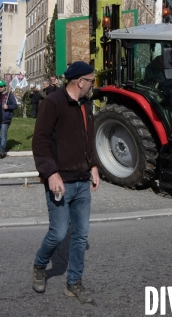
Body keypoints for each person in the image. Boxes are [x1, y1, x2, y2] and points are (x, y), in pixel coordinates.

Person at [31, 61, 99, 303]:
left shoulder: (86, 104)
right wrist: (51, 173)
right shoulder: (53, 102)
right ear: (80, 81)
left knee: (81, 235)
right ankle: (39, 265)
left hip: (82, 181)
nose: (93, 85)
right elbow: (39, 141)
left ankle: (73, 283)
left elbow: (87, 138)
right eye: (91, 81)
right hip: (61, 181)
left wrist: (93, 165)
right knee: (59, 233)